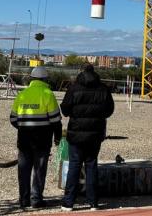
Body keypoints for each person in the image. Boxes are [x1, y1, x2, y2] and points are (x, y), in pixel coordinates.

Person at [60, 64, 115, 212]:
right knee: (91, 166)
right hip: (95, 134)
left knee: (74, 166)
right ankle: (93, 202)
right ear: (94, 73)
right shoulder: (103, 89)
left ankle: (69, 202)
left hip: (76, 134)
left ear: (81, 73)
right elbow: (109, 110)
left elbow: (65, 109)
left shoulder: (74, 88)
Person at [10, 66, 63, 209]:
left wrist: (24, 127)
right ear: (45, 79)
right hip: (42, 139)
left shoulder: (22, 94)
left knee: (23, 169)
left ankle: (24, 199)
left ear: (32, 79)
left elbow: (13, 119)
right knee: (39, 169)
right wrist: (57, 138)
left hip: (24, 139)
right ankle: (36, 199)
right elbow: (55, 120)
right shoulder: (48, 94)